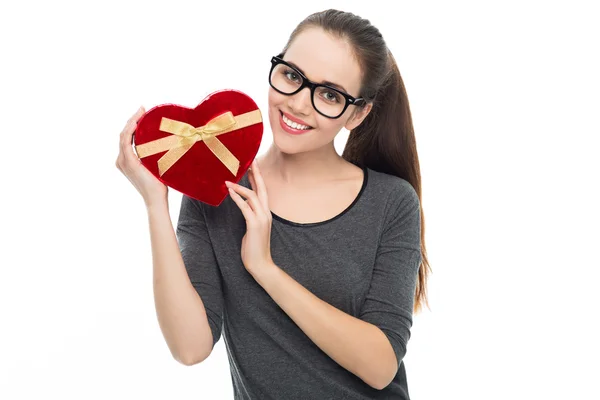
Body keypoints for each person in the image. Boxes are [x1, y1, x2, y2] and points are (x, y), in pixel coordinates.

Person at [116, 8, 431, 400]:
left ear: (358, 112)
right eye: (292, 76)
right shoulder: (217, 191)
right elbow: (189, 347)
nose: (298, 104)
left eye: (330, 95)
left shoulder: (391, 202)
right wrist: (155, 203)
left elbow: (381, 366)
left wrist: (264, 268)